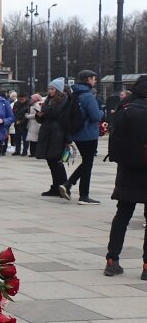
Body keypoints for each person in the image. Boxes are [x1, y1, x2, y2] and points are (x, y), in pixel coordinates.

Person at [104, 75, 147, 278]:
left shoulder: (125, 107)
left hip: (128, 170)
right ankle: (146, 266)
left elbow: (115, 139)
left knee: (122, 216)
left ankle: (112, 260)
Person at [64, 69, 105, 204]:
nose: (95, 81)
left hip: (77, 133)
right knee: (88, 164)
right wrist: (101, 111)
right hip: (89, 134)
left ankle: (69, 184)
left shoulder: (74, 94)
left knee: (86, 162)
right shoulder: (88, 95)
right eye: (93, 78)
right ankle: (83, 195)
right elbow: (95, 116)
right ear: (87, 79)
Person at [35, 79, 70, 198]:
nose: (50, 91)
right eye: (49, 88)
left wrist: (67, 140)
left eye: (53, 89)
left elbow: (63, 118)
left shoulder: (64, 101)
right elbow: (43, 118)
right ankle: (56, 187)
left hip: (57, 134)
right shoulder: (48, 101)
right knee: (51, 161)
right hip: (48, 133)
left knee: (57, 162)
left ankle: (64, 186)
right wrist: (39, 115)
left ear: (58, 90)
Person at [26, 93, 43, 159]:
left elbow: (37, 114)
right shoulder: (34, 105)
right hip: (32, 124)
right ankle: (33, 152)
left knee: (34, 139)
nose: (31, 100)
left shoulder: (37, 105)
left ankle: (34, 152)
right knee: (32, 139)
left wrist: (28, 116)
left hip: (36, 124)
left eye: (32, 98)